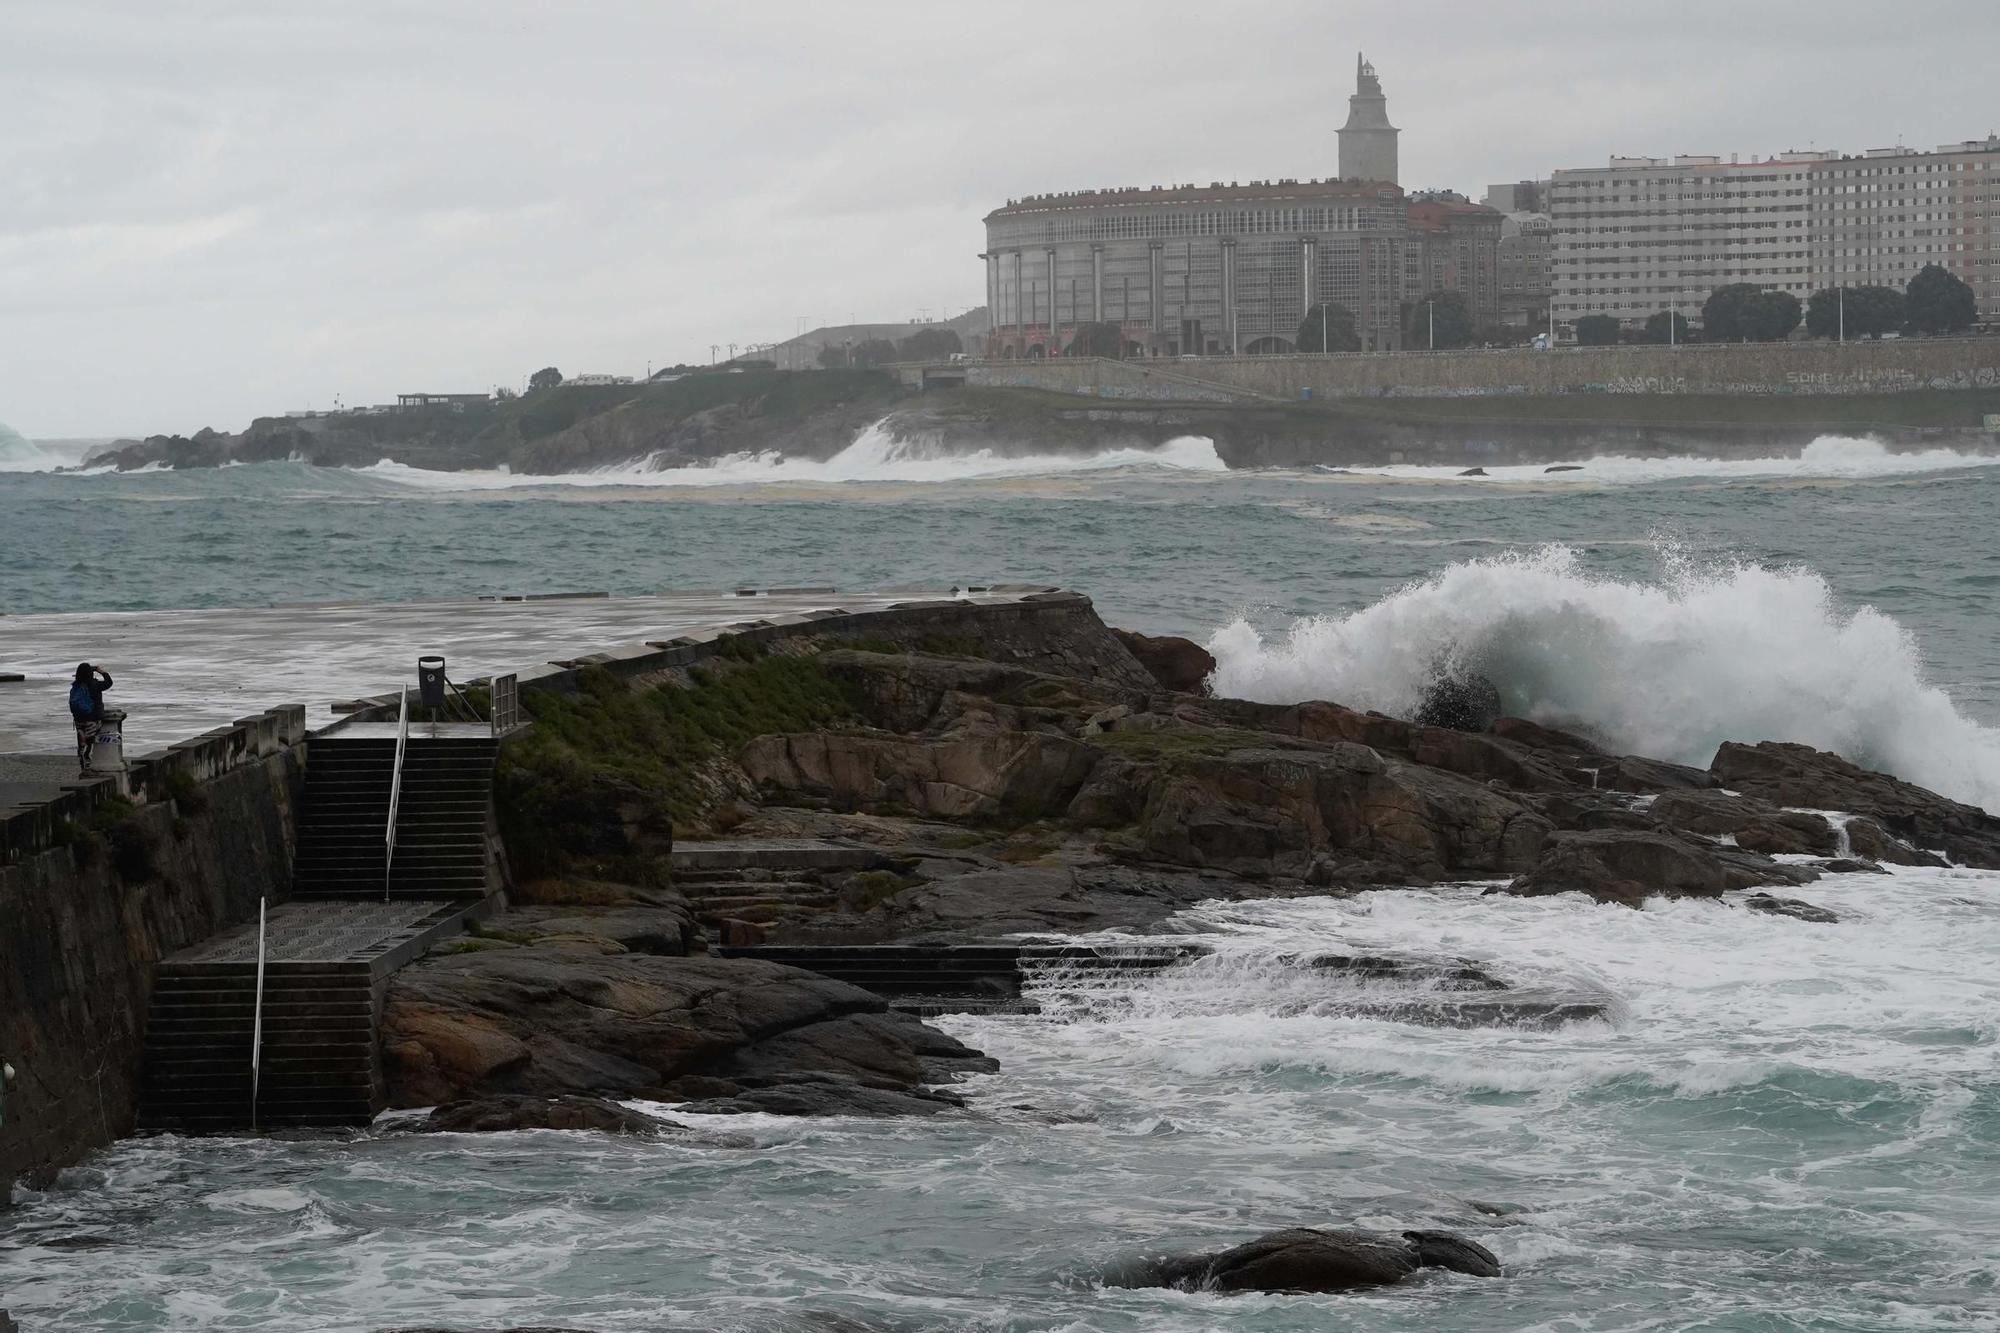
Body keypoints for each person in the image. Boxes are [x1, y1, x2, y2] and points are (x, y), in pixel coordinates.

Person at [69, 662, 113, 777]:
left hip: (78, 719)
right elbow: (109, 683)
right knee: (90, 743)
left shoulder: (76, 685)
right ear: (90, 673)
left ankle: (83, 768)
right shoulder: (94, 684)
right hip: (92, 718)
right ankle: (89, 769)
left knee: (82, 744)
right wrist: (101, 672)